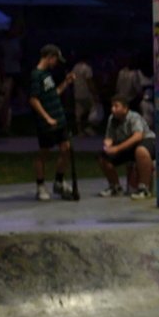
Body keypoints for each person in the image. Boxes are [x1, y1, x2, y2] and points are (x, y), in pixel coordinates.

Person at [30, 44, 75, 201]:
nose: (56, 63)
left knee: (66, 148)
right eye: (56, 59)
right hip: (47, 122)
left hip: (59, 118)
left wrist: (66, 83)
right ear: (50, 57)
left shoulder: (47, 74)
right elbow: (34, 99)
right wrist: (47, 117)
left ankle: (59, 181)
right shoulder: (36, 75)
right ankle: (40, 185)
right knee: (44, 152)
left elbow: (53, 94)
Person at [97, 96, 156, 200]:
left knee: (140, 151)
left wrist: (117, 149)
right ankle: (115, 187)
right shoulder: (112, 119)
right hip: (128, 145)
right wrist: (108, 144)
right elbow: (109, 137)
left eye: (116, 106)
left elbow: (138, 136)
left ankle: (144, 188)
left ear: (125, 108)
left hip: (146, 141)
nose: (113, 109)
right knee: (103, 157)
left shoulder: (134, 117)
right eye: (112, 106)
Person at [68, 56, 98, 136]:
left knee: (78, 113)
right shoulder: (87, 68)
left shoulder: (75, 67)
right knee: (92, 111)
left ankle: (80, 131)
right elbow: (89, 82)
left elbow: (71, 79)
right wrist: (94, 93)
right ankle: (88, 128)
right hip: (86, 94)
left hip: (77, 93)